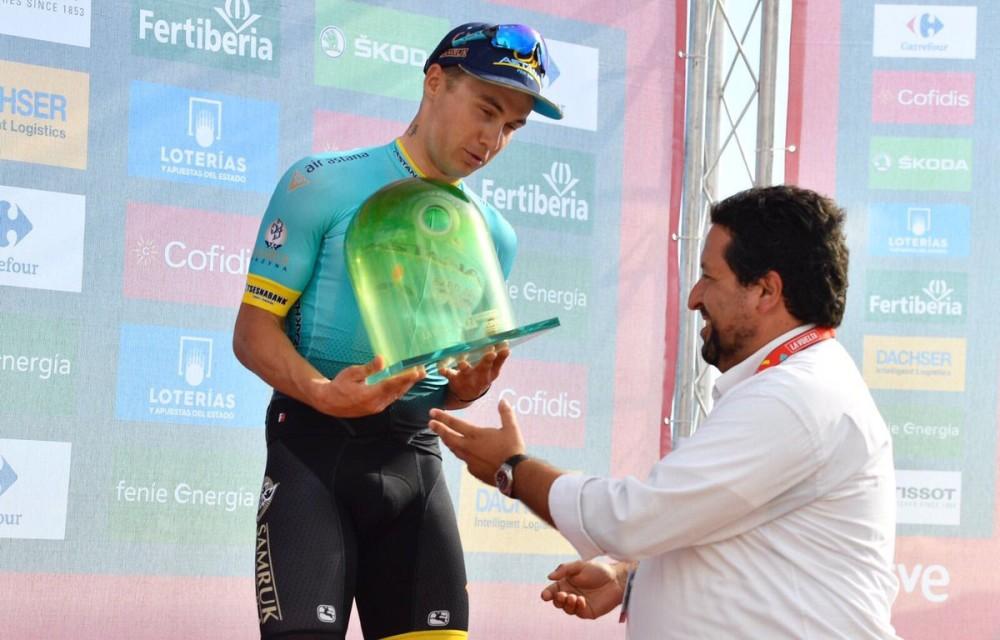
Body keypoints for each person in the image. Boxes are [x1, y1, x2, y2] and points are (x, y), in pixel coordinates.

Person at [429, 185, 902, 639]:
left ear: (765, 291)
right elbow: (737, 542)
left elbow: (633, 519)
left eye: (709, 277)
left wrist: (512, 469)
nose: (694, 297)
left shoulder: (795, 396)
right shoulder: (798, 385)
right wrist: (631, 578)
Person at [232, 22, 563, 640]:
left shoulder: (492, 234)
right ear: (435, 82)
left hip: (413, 463)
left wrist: (468, 387)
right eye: (486, 110)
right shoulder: (321, 183)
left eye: (512, 127)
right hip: (312, 454)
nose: (492, 140)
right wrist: (324, 392)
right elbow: (253, 333)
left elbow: (447, 384)